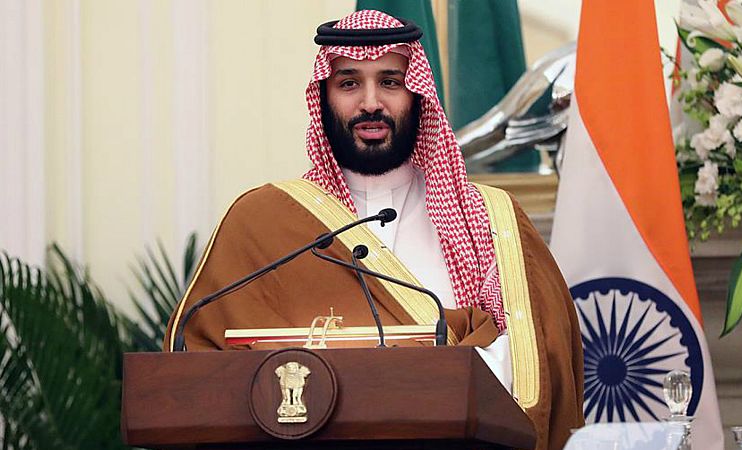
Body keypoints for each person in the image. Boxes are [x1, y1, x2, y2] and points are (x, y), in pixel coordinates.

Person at [163, 10, 583, 450]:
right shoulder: (260, 222)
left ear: (417, 93)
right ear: (323, 97)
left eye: (390, 82)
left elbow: (539, 360)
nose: (370, 103)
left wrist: (403, 382)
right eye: (349, 83)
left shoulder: (488, 218)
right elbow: (198, 365)